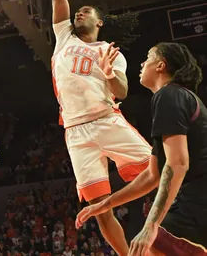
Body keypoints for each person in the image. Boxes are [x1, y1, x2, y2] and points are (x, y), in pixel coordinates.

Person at [51, 0, 151, 256]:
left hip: (107, 119)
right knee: (99, 209)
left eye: (85, 11)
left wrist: (109, 76)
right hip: (75, 131)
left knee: (161, 170)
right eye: (77, 11)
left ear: (100, 21)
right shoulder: (64, 37)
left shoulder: (109, 51)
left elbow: (122, 89)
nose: (78, 13)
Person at [76, 42, 207, 255]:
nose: (142, 63)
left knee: (148, 247)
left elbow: (178, 163)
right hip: (196, 204)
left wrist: (151, 225)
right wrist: (105, 205)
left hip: (197, 203)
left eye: (148, 57)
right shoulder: (175, 97)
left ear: (161, 66)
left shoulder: (169, 96)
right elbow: (152, 175)